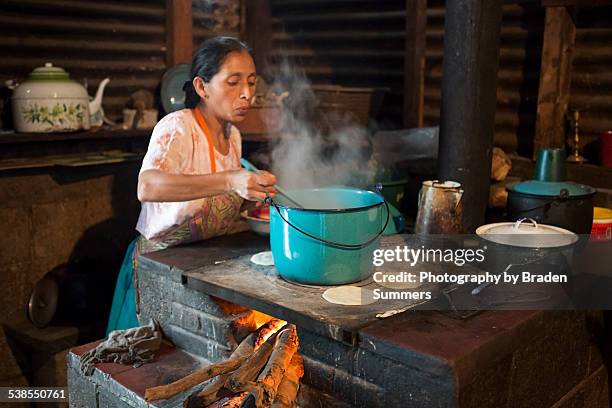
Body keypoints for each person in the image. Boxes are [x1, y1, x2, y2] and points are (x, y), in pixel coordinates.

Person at [106, 37, 277, 334]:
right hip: (157, 268)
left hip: (200, 266)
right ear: (201, 87)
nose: (247, 94)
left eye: (251, 82)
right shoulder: (178, 127)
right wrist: (231, 179)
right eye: (233, 82)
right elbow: (147, 187)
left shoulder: (232, 135)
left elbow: (221, 194)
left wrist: (254, 191)